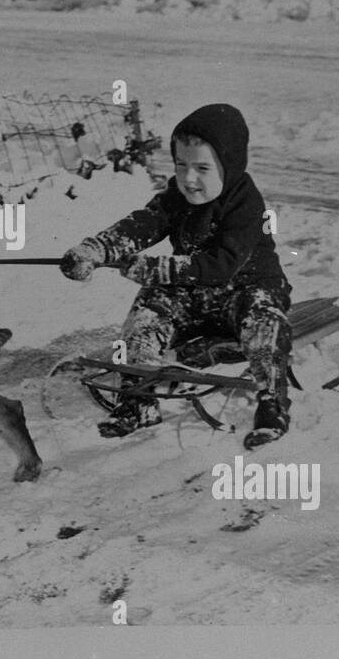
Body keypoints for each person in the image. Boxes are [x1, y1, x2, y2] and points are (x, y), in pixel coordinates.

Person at [60, 103, 293, 448]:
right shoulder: (176, 196)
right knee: (148, 309)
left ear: (229, 166)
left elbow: (221, 265)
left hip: (245, 292)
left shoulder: (245, 203)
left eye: (202, 168)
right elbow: (142, 224)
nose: (188, 178)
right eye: (180, 165)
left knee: (264, 322)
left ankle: (272, 401)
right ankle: (138, 400)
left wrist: (154, 269)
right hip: (194, 295)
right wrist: (96, 250)